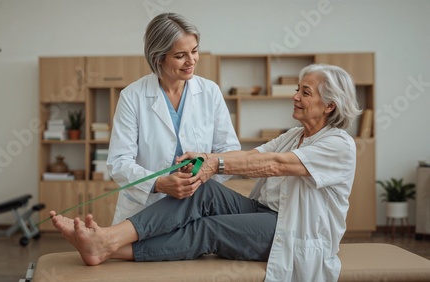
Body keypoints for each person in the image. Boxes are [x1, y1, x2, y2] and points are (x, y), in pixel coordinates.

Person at [50, 63, 361, 282]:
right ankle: (107, 239)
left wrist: (217, 164)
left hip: (291, 231)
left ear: (329, 106)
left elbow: (275, 165)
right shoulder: (296, 134)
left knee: (210, 228)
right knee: (204, 189)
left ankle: (112, 250)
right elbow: (253, 155)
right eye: (297, 89)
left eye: (305, 92)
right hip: (266, 213)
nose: (295, 96)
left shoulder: (338, 144)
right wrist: (206, 159)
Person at [107, 13, 240, 225]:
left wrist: (201, 171)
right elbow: (119, 162)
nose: (191, 61)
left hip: (197, 205)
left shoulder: (210, 92)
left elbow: (229, 151)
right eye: (180, 55)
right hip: (145, 207)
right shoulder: (132, 96)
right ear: (158, 57)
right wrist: (158, 183)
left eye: (194, 51)